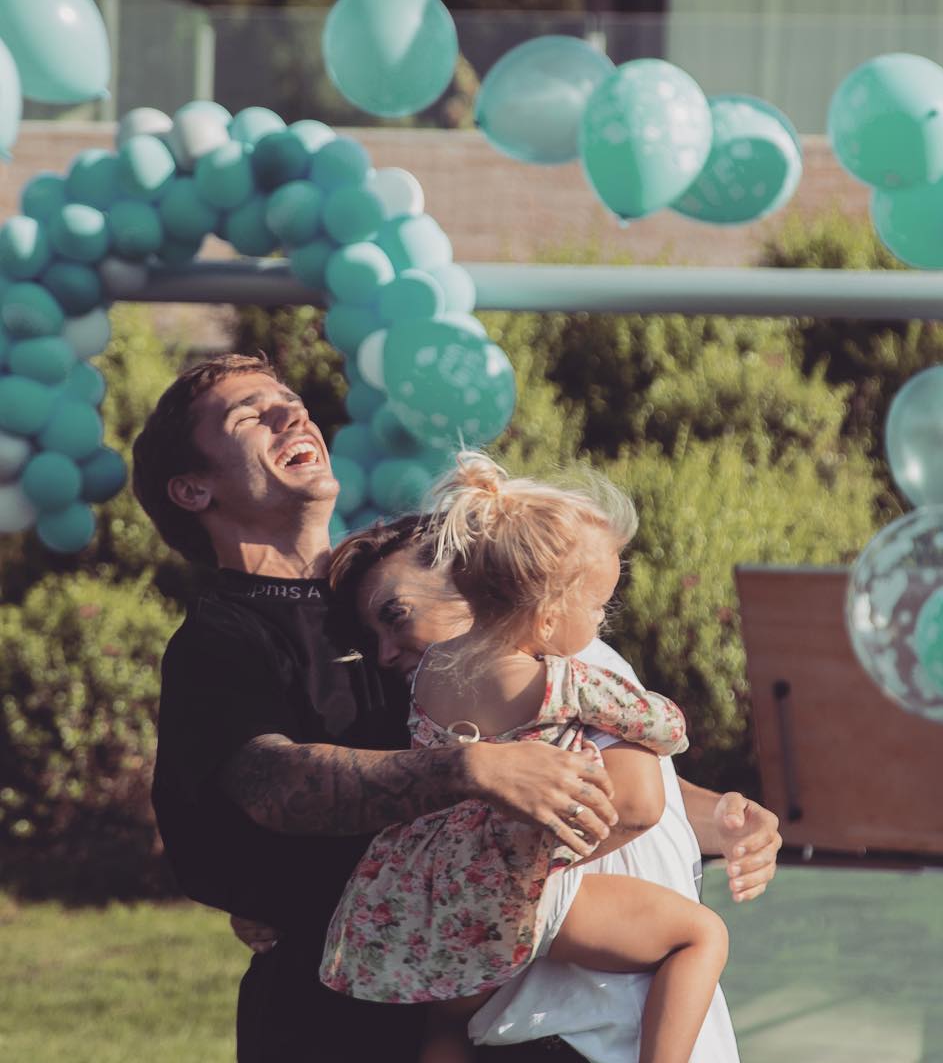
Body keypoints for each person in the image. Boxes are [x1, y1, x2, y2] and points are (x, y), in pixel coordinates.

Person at [132, 353, 779, 1062]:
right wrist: (471, 769)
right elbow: (272, 783)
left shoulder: (400, 587)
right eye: (250, 416)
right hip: (342, 1017)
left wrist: (717, 816)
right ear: (193, 489)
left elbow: (567, 750)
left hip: (528, 1010)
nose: (293, 414)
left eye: (290, 400)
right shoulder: (225, 637)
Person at [319, 453, 729, 1063]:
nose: (600, 621)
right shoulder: (566, 679)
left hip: (446, 894)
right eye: (598, 606)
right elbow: (655, 746)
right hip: (531, 896)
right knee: (701, 935)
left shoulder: (429, 677)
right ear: (549, 611)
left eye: (395, 616)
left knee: (444, 1026)